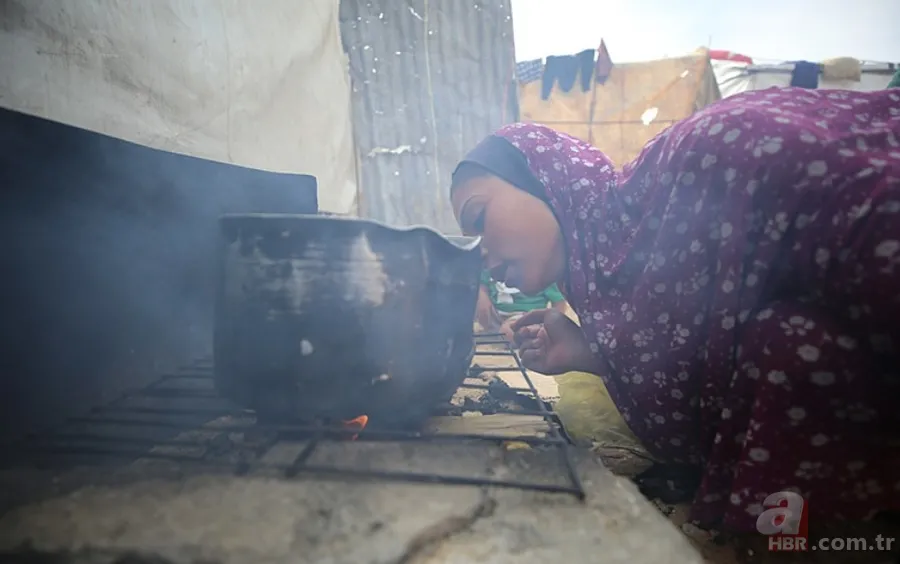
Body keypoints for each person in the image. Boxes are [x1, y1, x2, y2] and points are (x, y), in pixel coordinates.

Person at [449, 87, 900, 534]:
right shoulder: (604, 278)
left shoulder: (698, 158)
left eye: (478, 217)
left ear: (541, 176)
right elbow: (713, 379)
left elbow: (874, 210)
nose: (479, 252)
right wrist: (592, 354)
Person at [475, 270, 567, 340]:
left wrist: (553, 327)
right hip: (494, 313)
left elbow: (559, 302)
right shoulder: (494, 264)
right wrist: (482, 297)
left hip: (524, 316)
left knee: (512, 331)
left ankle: (511, 336)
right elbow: (482, 285)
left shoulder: (542, 272)